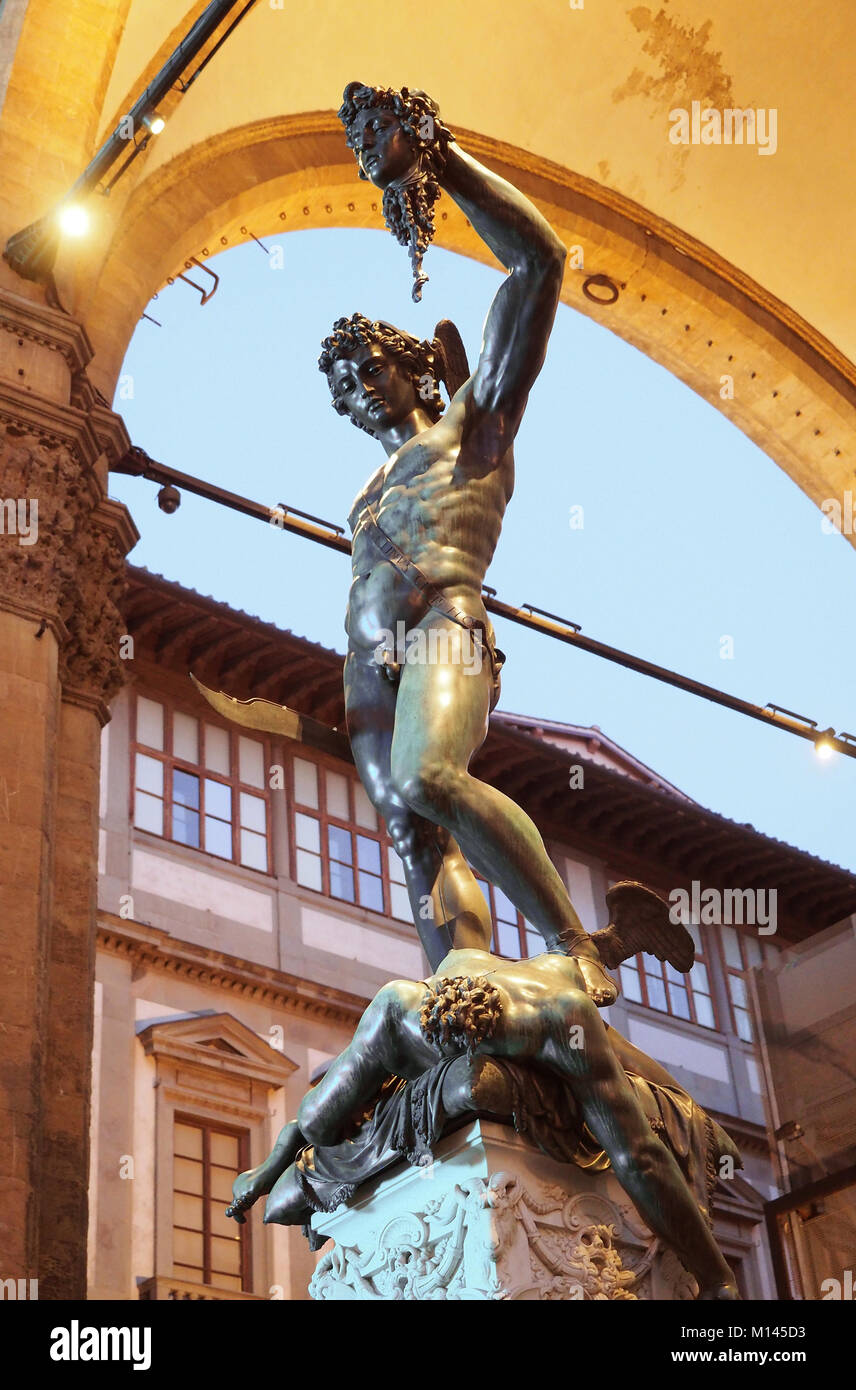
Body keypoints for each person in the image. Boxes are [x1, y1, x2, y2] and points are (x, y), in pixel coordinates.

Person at [318, 81, 628, 1002]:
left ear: (409, 364)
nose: (357, 391)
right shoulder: (367, 487)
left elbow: (537, 264)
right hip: (366, 660)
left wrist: (436, 156)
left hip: (443, 619)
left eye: (366, 368)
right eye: (341, 388)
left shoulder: (473, 423)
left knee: (431, 775)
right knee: (412, 833)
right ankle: (462, 984)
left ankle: (576, 945)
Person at [228, 943, 740, 1300]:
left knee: (628, 1068)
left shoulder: (558, 1017)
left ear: (501, 1036)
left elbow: (636, 1154)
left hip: (562, 1000)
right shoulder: (395, 1012)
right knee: (318, 1122)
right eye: (436, 1060)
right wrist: (269, 1169)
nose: (444, 1072)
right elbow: (314, 1123)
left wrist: (716, 1275)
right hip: (409, 1018)